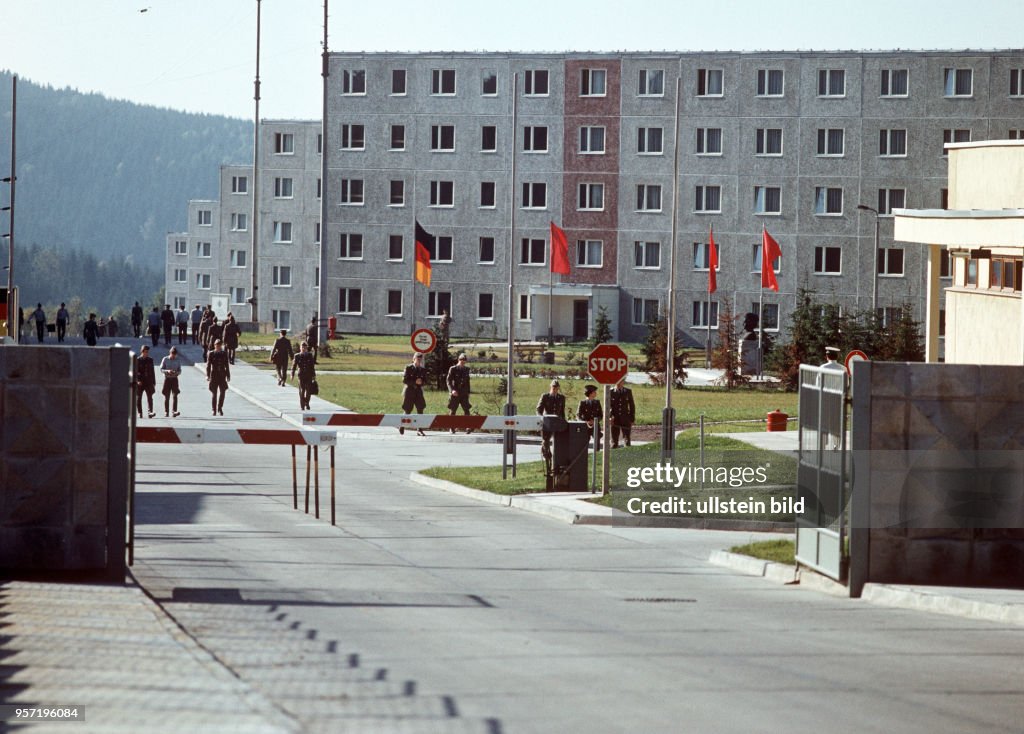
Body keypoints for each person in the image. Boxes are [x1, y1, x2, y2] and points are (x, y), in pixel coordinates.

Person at [536, 379, 566, 457]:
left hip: (557, 422)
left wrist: (564, 421)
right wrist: (541, 418)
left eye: (556, 388)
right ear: (551, 387)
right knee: (546, 440)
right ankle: (546, 453)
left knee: (559, 440)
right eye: (553, 388)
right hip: (547, 422)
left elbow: (562, 411)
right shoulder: (545, 396)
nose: (555, 390)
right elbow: (539, 409)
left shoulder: (561, 398)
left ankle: (557, 457)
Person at [400, 353, 428, 436]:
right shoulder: (408, 368)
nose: (419, 360)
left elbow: (426, 381)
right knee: (407, 410)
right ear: (414, 359)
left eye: (420, 359)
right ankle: (402, 426)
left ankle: (419, 429)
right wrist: (414, 382)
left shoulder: (422, 370)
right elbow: (404, 380)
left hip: (418, 392)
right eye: (417, 358)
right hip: (409, 391)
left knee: (420, 409)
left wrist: (421, 382)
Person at [446, 352, 472, 433]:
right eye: (461, 360)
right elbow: (448, 381)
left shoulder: (466, 369)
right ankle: (451, 427)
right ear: (458, 360)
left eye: (464, 360)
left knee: (466, 410)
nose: (463, 361)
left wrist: (468, 392)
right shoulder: (453, 369)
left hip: (464, 393)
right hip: (455, 392)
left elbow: (467, 382)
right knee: (453, 410)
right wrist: (452, 390)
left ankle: (468, 426)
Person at [206, 338, 231, 416]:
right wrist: (208, 375)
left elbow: (227, 365)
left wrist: (228, 375)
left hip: (222, 375)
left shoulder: (224, 353)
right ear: (214, 345)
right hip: (214, 375)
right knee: (214, 393)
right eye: (217, 345)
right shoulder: (211, 353)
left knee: (223, 392)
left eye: (219, 345)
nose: (218, 346)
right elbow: (208, 365)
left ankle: (220, 408)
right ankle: (214, 410)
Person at [609, 379, 636, 448]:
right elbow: (608, 406)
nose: (618, 383)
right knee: (614, 440)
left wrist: (632, 418)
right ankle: (613, 455)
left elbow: (632, 405)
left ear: (623, 382)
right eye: (617, 381)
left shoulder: (627, 391)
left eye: (620, 381)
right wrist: (610, 416)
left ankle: (627, 456)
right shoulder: (611, 392)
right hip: (614, 419)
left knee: (627, 439)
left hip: (626, 418)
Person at [291, 341, 317, 411]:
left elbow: (312, 366)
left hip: (309, 375)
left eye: (305, 347)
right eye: (302, 347)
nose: (304, 349)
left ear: (307, 348)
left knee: (308, 391)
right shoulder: (297, 356)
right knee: (302, 391)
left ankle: (307, 403)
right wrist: (292, 374)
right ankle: (302, 405)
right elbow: (294, 366)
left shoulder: (309, 355)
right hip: (301, 375)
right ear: (300, 348)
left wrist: (314, 375)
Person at [159, 346, 182, 417]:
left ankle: (174, 411)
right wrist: (167, 371)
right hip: (167, 379)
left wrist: (176, 372)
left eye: (175, 354)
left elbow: (180, 370)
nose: (173, 355)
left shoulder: (178, 360)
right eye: (172, 354)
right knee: (167, 396)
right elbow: (161, 369)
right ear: (170, 353)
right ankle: (166, 411)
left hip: (174, 379)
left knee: (175, 395)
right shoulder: (165, 359)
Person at [136, 344, 157, 419]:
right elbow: (135, 371)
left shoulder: (150, 360)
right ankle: (140, 412)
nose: (147, 353)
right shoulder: (138, 360)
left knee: (150, 397)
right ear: (142, 351)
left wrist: (154, 382)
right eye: (145, 352)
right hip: (140, 382)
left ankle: (150, 412)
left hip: (149, 381)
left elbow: (152, 371)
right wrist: (138, 380)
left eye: (148, 352)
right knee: (139, 398)